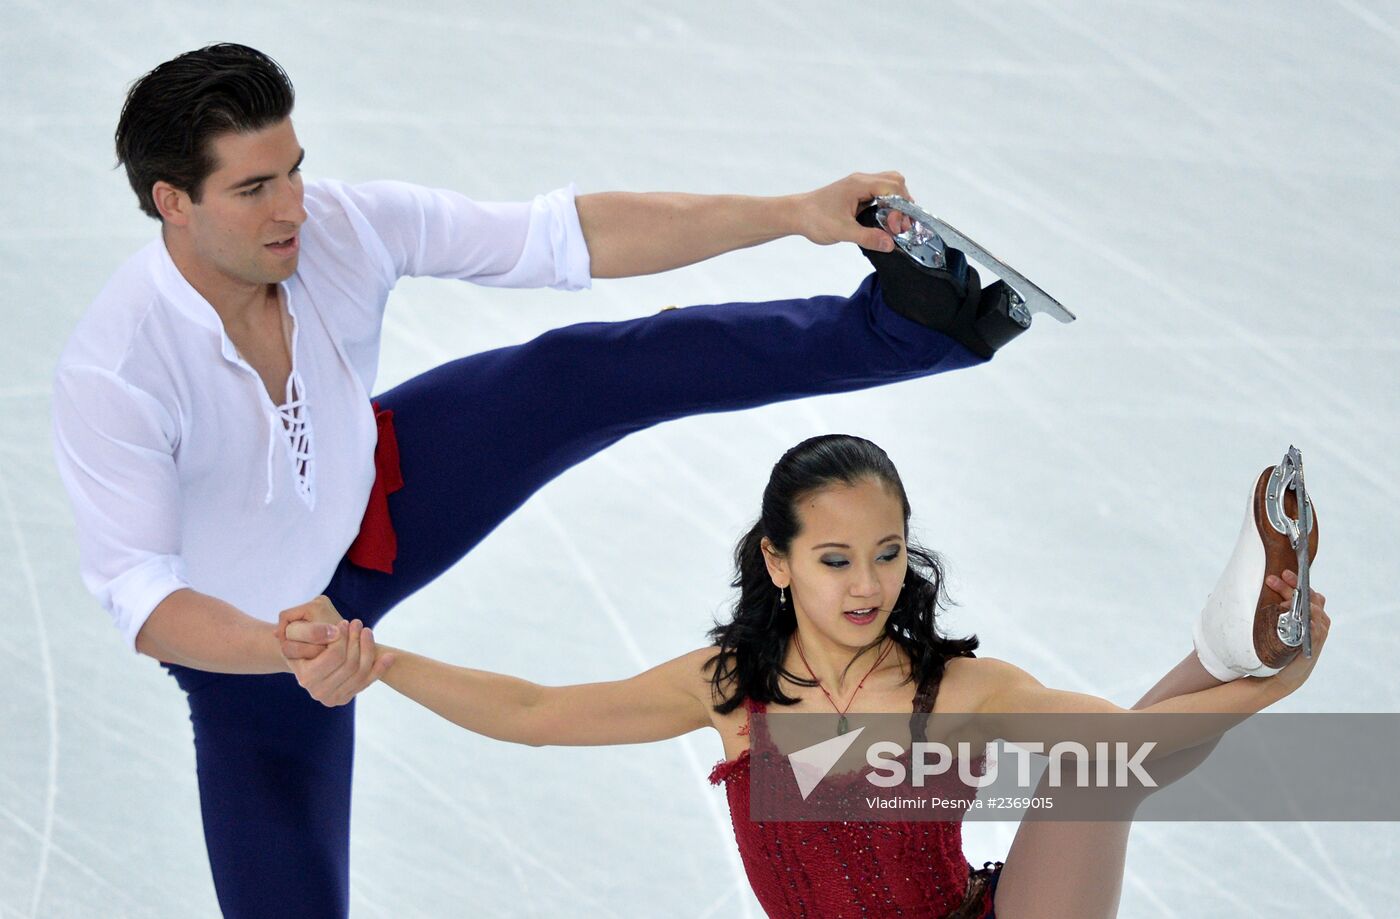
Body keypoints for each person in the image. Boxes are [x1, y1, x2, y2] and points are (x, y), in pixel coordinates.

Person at [52, 43, 1040, 917]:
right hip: (261, 641)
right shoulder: (119, 369)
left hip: (379, 493)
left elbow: (568, 237)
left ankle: (909, 327)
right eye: (254, 188)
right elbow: (142, 598)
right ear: (170, 202)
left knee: (581, 372)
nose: (295, 206)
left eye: (296, 169)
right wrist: (293, 647)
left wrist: (793, 215)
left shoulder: (342, 228)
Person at [317, 434, 1329, 918]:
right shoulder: (729, 689)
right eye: (835, 558)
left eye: (885, 553)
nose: (865, 584)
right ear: (777, 559)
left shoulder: (955, 691)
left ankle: (1231, 646)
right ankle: (1225, 640)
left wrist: (1273, 691)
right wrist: (386, 662)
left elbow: (1134, 750)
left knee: (1099, 774)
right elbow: (536, 713)